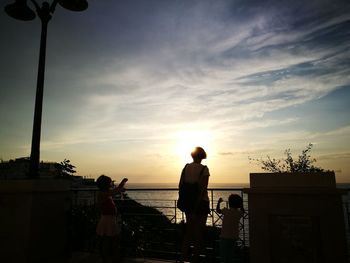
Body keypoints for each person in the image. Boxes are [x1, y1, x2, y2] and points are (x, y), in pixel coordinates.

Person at [179, 146, 210, 263]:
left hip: (188, 203)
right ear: (203, 156)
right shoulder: (204, 169)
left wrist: (187, 204)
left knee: (188, 232)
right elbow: (203, 189)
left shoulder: (186, 167)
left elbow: (180, 186)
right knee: (198, 233)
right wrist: (196, 207)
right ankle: (194, 260)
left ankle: (182, 258)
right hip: (201, 204)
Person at [96, 175, 128, 263]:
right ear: (105, 184)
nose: (111, 184)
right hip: (107, 220)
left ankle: (110, 258)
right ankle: (107, 259)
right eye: (110, 182)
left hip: (110, 220)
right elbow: (114, 192)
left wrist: (122, 183)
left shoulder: (105, 192)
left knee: (112, 240)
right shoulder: (102, 193)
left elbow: (114, 191)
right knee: (108, 241)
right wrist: (121, 188)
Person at [216, 194, 244, 263]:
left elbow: (218, 210)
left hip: (224, 237)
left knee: (223, 255)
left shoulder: (226, 211)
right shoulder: (238, 213)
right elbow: (243, 211)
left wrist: (219, 202)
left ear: (230, 203)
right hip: (233, 237)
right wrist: (241, 205)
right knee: (230, 255)